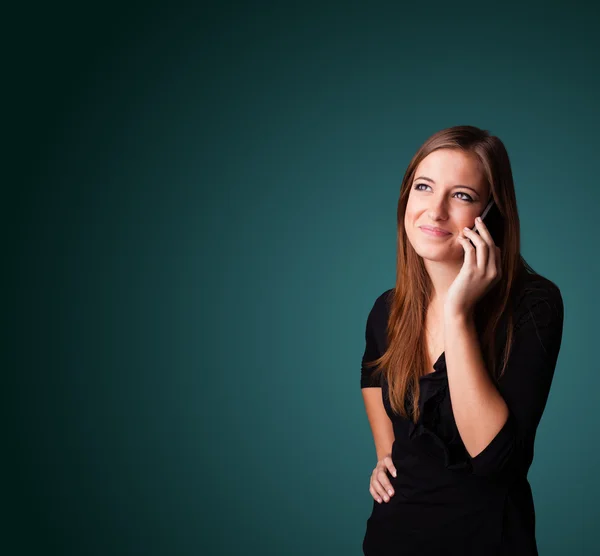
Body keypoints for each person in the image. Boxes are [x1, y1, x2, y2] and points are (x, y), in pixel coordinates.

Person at [360, 125, 564, 556]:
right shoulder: (388, 308)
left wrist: (457, 313)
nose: (434, 211)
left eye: (461, 196)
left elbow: (494, 461)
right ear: (405, 198)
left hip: (486, 541)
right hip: (392, 537)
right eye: (423, 187)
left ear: (491, 213)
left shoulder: (534, 304)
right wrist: (384, 453)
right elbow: (372, 375)